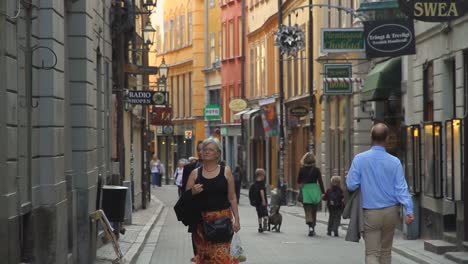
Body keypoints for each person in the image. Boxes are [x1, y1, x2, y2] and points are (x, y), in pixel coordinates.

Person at [346, 123, 414, 264]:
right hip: (390, 212)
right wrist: (409, 209)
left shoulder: (360, 159)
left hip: (370, 212)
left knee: (372, 253)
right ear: (387, 138)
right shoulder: (395, 162)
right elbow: (401, 188)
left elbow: (351, 185)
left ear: (371, 137)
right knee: (385, 252)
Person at [186, 137, 241, 263]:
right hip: (201, 224)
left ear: (218, 154)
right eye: (204, 149)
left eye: (210, 149)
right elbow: (185, 199)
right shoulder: (195, 174)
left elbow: (232, 197)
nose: (206, 152)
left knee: (221, 257)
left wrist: (237, 219)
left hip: (222, 222)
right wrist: (192, 192)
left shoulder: (226, 172)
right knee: (205, 259)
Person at [297, 152, 325, 237]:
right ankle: (313, 226)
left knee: (307, 210)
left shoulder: (301, 169)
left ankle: (310, 226)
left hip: (306, 190)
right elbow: (320, 181)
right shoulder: (316, 170)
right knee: (314, 210)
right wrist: (323, 192)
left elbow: (298, 181)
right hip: (315, 190)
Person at [252, 168, 268, 233]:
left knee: (259, 214)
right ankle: (265, 219)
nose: (264, 177)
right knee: (265, 213)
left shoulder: (255, 183)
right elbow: (261, 192)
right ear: (261, 175)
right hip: (261, 201)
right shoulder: (261, 183)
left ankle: (260, 227)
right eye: (263, 175)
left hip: (257, 202)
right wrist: (263, 200)